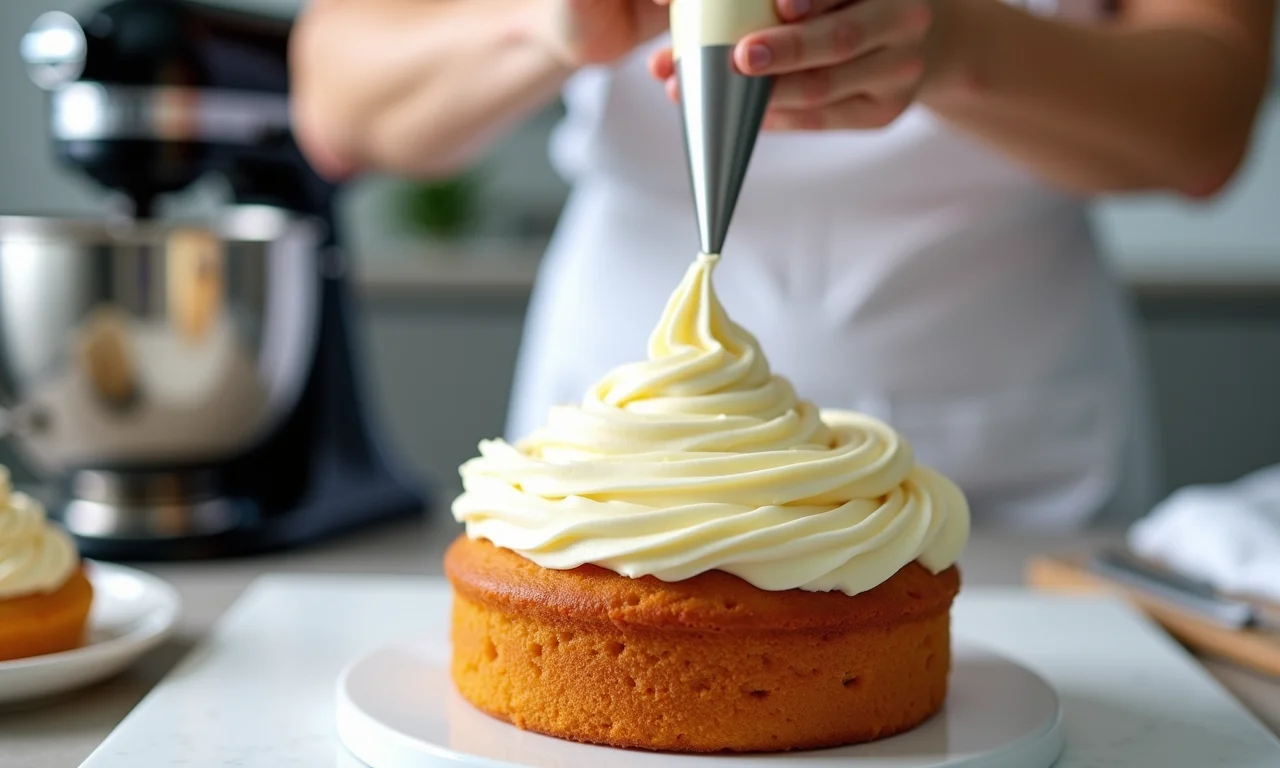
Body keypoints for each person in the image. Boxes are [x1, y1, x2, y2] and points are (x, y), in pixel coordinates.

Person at [290, 0, 1275, 528]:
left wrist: (957, 42)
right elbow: (338, 103)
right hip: (611, 480)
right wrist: (547, 22)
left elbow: (1203, 122)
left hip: (1008, 476)